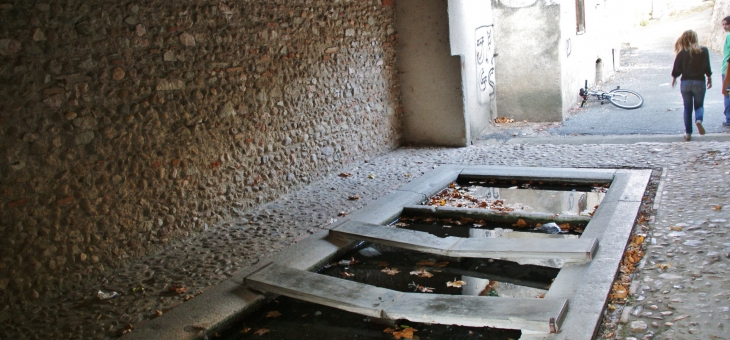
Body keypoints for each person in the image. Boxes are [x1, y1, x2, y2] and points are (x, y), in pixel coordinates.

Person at [671, 30, 712, 141]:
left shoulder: (682, 53)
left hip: (685, 83)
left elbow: (677, 68)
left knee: (687, 108)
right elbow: (706, 66)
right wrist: (709, 77)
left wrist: (674, 78)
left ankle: (688, 133)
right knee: (699, 105)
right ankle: (698, 120)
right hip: (699, 82)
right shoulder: (703, 50)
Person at [722, 16, 730, 127]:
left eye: (726, 24)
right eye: (723, 24)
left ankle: (729, 119)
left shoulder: (729, 36)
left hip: (727, 68)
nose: (724, 26)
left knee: (727, 93)